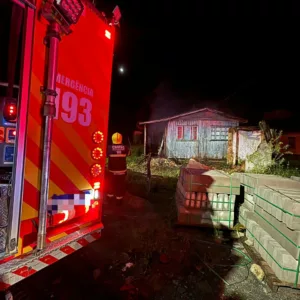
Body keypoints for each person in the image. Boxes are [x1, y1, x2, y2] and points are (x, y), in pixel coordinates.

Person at [106, 132, 131, 204]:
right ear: (121, 139)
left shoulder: (109, 148)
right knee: (120, 185)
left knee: (111, 184)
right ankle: (119, 200)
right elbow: (129, 154)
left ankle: (110, 198)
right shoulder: (125, 147)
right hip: (122, 171)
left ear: (112, 139)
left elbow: (105, 155)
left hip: (112, 171)